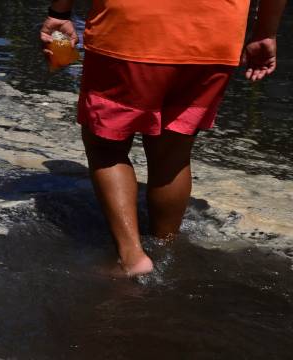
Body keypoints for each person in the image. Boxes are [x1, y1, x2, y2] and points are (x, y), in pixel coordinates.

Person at [40, 0, 287, 276]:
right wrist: (265, 32)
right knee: (173, 153)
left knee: (106, 146)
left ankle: (131, 257)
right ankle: (164, 248)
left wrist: (59, 13)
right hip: (215, 33)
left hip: (133, 25)